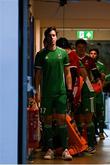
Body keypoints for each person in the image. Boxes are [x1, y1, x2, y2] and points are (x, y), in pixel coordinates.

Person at [34, 26, 73, 160]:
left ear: (56, 36)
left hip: (60, 93)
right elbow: (38, 75)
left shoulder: (63, 53)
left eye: (54, 35)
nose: (52, 37)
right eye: (50, 35)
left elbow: (67, 73)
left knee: (62, 120)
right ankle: (49, 149)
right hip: (47, 94)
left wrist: (69, 90)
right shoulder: (40, 55)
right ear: (46, 37)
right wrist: (36, 92)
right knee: (47, 121)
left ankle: (65, 149)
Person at [75, 39, 103, 154]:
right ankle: (79, 144)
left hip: (87, 91)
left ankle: (91, 144)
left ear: (85, 48)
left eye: (83, 47)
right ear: (76, 48)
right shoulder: (72, 58)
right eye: (79, 47)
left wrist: (99, 81)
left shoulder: (89, 60)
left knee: (89, 119)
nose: (81, 49)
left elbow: (96, 75)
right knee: (77, 119)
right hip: (75, 91)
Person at [89, 48, 106, 140]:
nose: (93, 55)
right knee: (91, 113)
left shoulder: (101, 65)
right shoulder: (86, 64)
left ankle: (101, 132)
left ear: (97, 55)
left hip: (98, 92)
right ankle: (92, 132)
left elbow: (102, 79)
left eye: (95, 53)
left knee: (100, 113)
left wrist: (100, 88)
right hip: (89, 91)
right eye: (91, 53)